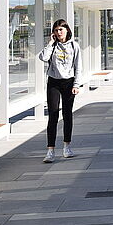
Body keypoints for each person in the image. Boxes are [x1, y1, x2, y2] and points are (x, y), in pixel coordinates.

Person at [37, 19, 84, 163]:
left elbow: (78, 67)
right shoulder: (53, 46)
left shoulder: (74, 46)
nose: (58, 33)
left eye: (61, 30)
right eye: (56, 30)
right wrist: (50, 43)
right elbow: (43, 57)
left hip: (69, 83)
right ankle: (50, 150)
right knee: (53, 114)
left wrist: (76, 85)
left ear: (67, 30)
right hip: (54, 82)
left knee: (67, 114)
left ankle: (66, 146)